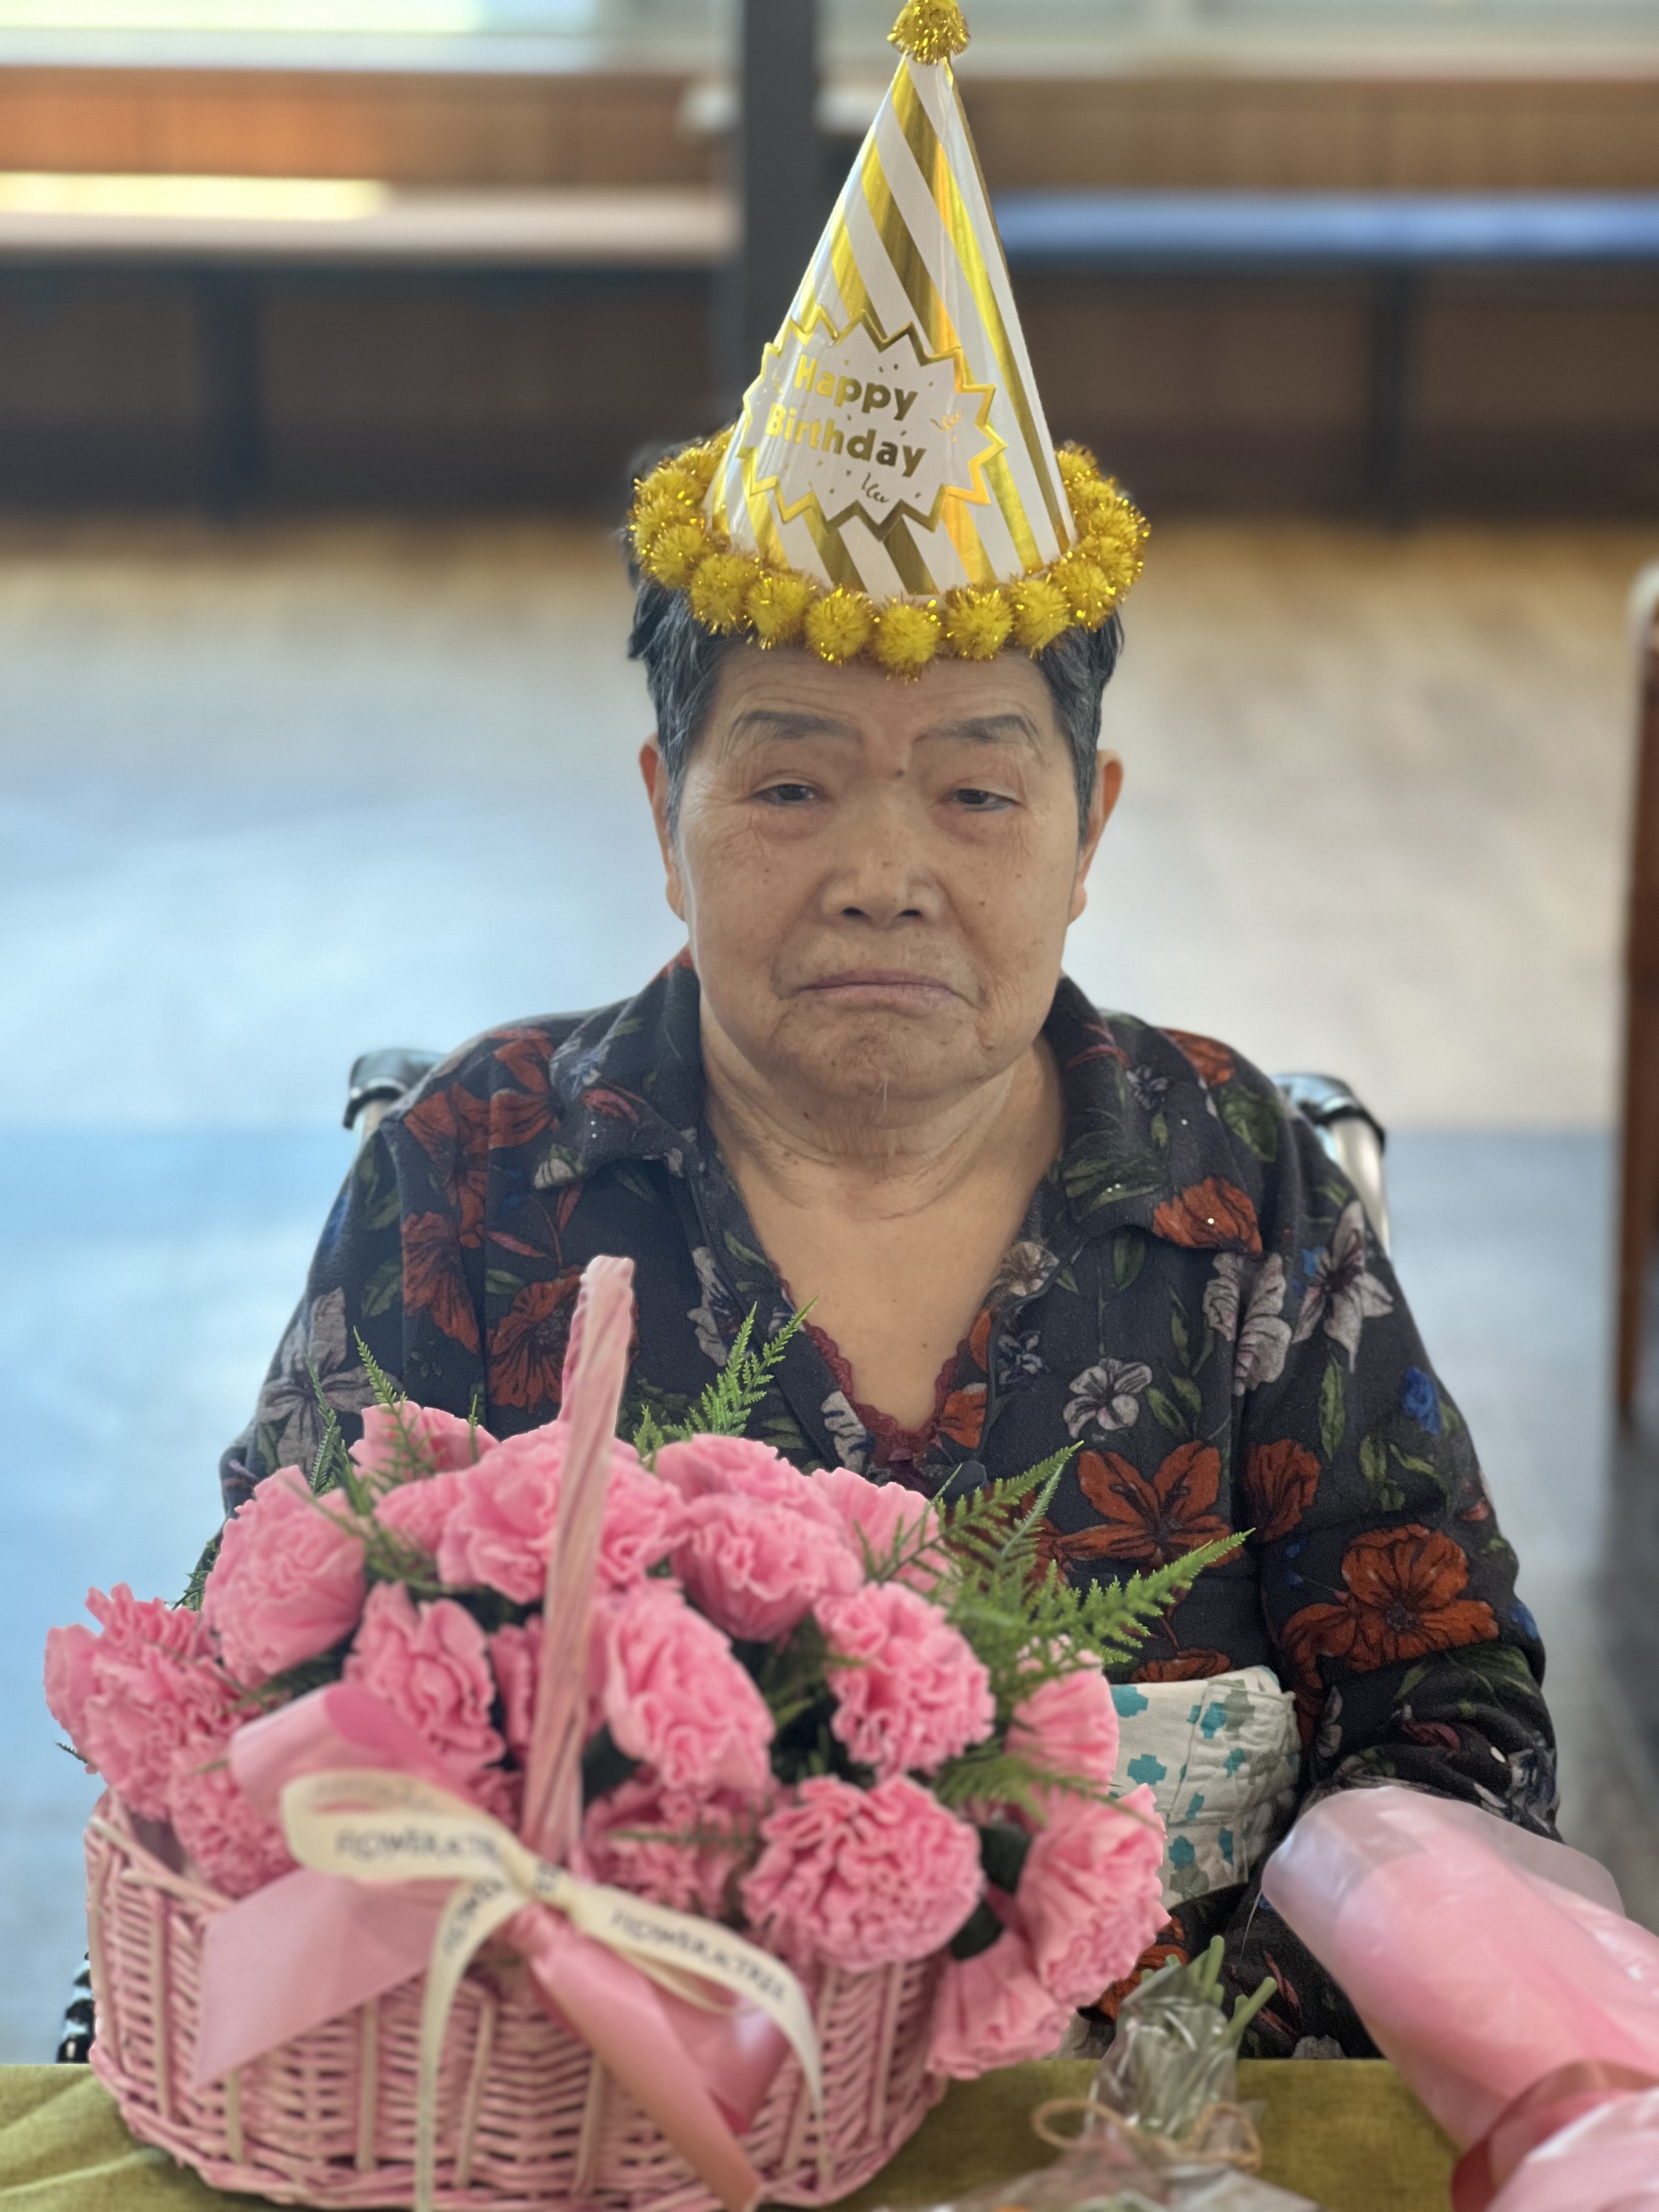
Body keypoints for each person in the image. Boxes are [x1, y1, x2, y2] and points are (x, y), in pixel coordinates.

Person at [213, 0, 1553, 2063]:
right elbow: (264, 1705)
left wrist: (1171, 2106)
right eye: (790, 781)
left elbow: (1448, 1723)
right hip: (594, 2141)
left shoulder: (1243, 1199)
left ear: (1089, 829)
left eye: (979, 791)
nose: (884, 872)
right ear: (663, 815)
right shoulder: (476, 1179)